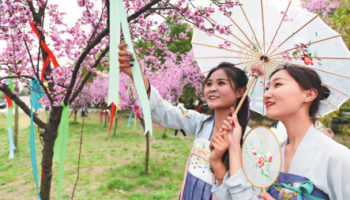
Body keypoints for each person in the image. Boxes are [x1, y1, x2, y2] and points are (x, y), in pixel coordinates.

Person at [117, 43, 251, 200]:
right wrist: (138, 77)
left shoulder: (249, 140)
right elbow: (165, 111)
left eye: (221, 83)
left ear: (240, 91)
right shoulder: (199, 122)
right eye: (209, 83)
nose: (212, 88)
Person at [210, 64, 350, 199]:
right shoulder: (272, 155)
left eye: (277, 85)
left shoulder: (337, 157)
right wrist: (233, 145)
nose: (266, 94)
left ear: (309, 94)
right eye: (266, 87)